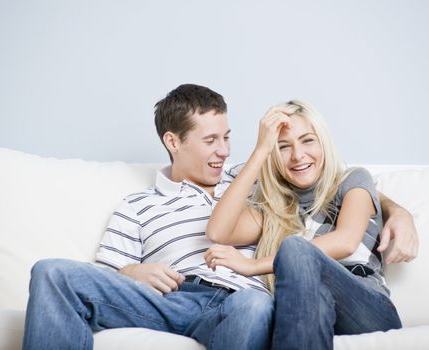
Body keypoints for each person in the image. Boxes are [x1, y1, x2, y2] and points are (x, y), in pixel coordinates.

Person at [22, 86, 417, 350]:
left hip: (238, 300)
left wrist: (397, 210)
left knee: (256, 307)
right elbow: (105, 275)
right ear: (173, 142)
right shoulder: (136, 205)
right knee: (52, 272)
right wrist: (130, 272)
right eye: (211, 141)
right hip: (167, 297)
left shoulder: (253, 180)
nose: (224, 151)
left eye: (228, 137)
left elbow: (328, 181)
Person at [205, 100, 412, 349]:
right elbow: (218, 231)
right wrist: (260, 151)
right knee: (312, 300)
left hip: (368, 308)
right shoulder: (271, 208)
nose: (298, 155)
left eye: (307, 140)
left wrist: (254, 266)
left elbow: (346, 241)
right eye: (283, 146)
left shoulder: (353, 181)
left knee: (295, 248)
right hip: (307, 308)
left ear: (322, 142)